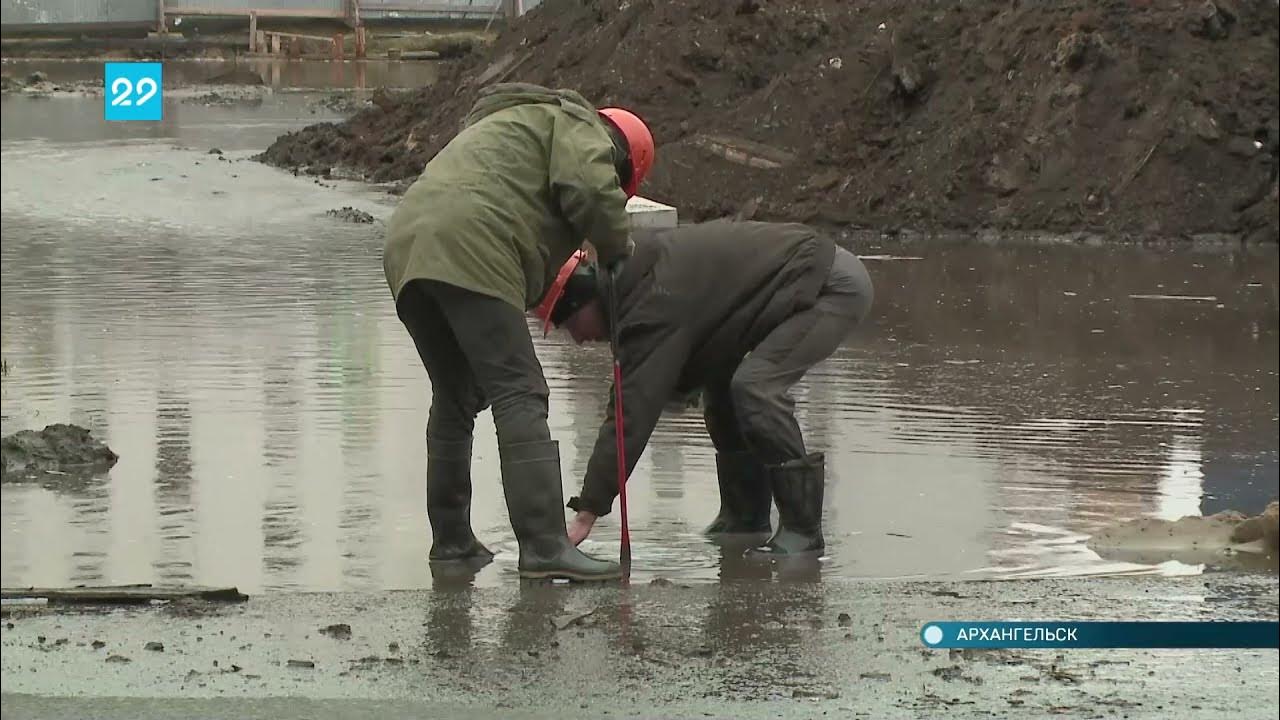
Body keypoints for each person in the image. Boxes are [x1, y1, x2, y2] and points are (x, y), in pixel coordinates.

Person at [383, 82, 655, 581]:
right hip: (469, 239)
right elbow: (591, 191)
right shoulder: (579, 125)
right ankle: (546, 543)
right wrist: (617, 250)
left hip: (408, 243)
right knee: (521, 390)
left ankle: (451, 542)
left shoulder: (508, 128)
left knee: (456, 394)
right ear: (621, 160)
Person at [533, 220, 874, 556]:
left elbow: (631, 411)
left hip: (827, 284)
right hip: (795, 284)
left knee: (756, 388)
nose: (577, 339)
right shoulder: (634, 282)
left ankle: (802, 532)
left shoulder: (649, 302)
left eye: (569, 325)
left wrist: (588, 511)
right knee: (722, 390)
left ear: (585, 302)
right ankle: (745, 519)